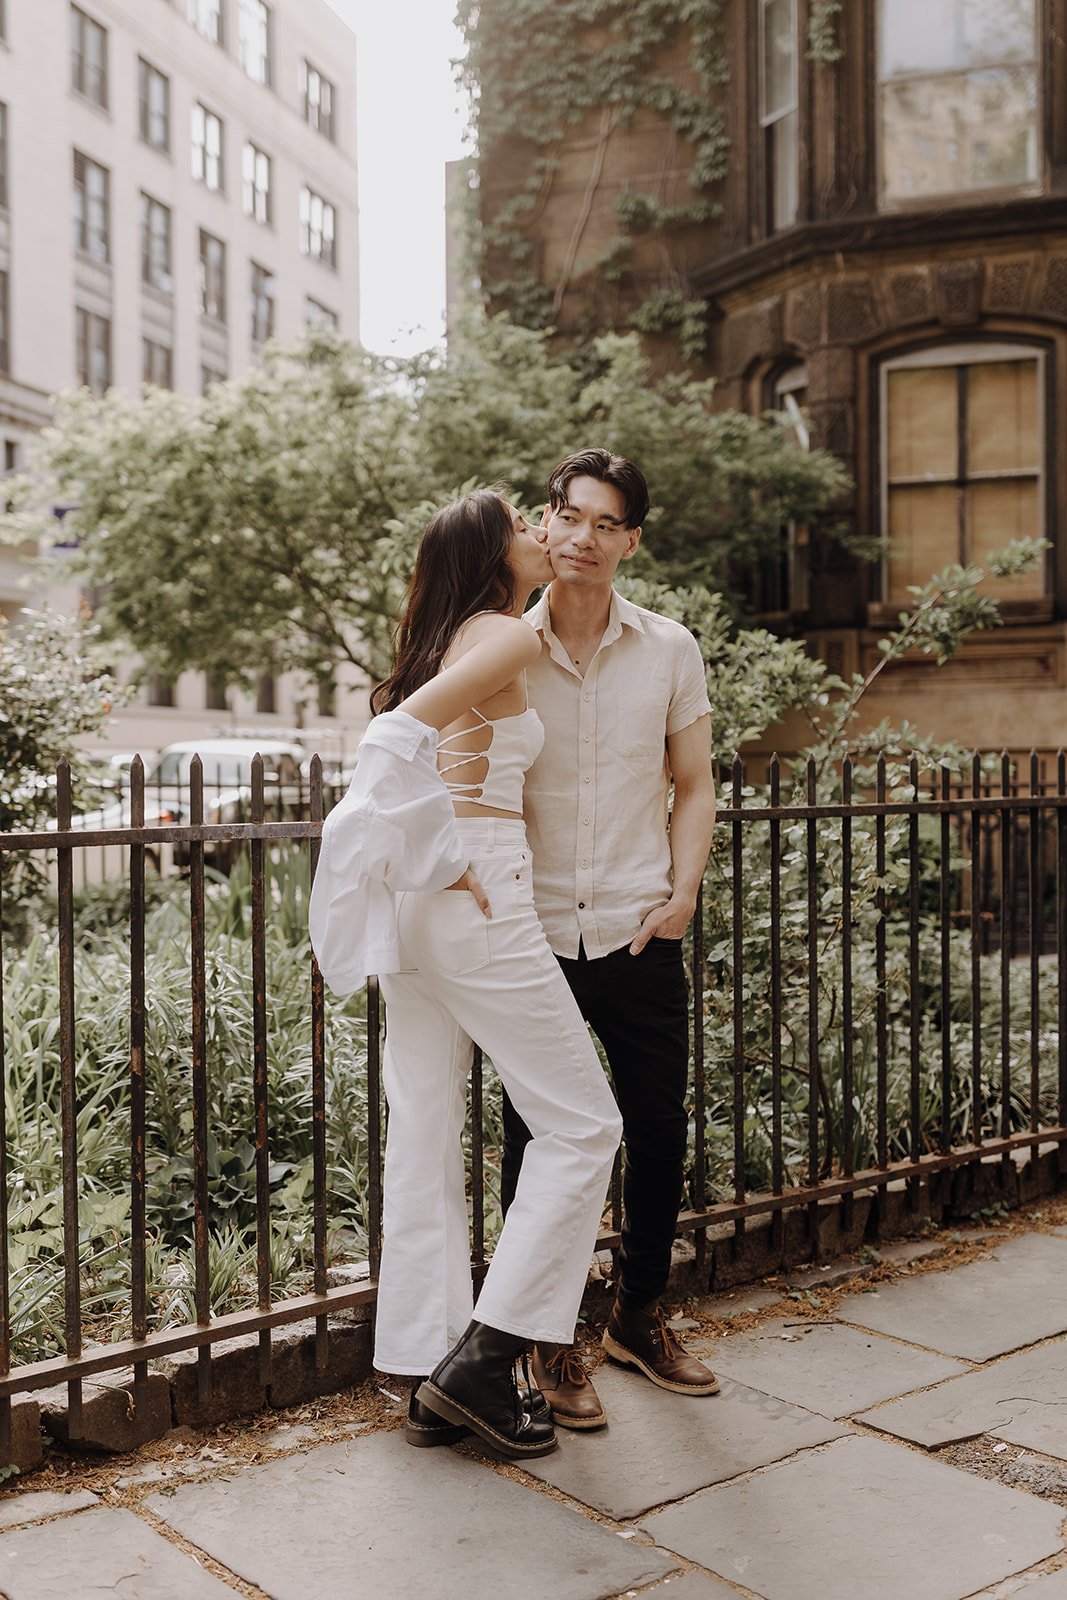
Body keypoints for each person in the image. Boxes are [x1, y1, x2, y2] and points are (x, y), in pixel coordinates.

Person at [309, 489, 622, 1461]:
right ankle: (488, 1359)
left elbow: (418, 743)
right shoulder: (507, 638)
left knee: (428, 1121)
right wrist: (449, 855)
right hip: (473, 894)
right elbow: (392, 737)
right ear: (493, 551)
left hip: (429, 907)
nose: (544, 531)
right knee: (584, 1123)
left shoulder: (461, 633)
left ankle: (431, 1358)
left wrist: (435, 859)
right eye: (528, 523)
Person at [500, 447, 719, 1430]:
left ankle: (637, 1316)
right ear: (545, 524)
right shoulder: (498, 645)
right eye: (568, 516)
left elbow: (694, 779)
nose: (582, 537)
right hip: (535, 936)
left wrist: (681, 891)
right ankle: (547, 1341)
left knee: (658, 1130)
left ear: (630, 539)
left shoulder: (667, 648)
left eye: (604, 522)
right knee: (537, 1145)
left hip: (638, 929)